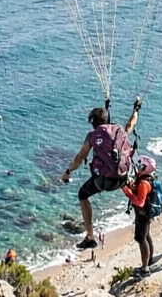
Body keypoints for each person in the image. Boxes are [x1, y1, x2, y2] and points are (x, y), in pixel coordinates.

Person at [60, 96, 142, 249]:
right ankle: (140, 208)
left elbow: (80, 157)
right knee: (128, 182)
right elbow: (131, 123)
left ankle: (90, 237)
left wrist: (67, 171)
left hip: (105, 180)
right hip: (123, 177)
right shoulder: (119, 130)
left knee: (83, 195)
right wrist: (136, 108)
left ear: (93, 122)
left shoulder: (92, 136)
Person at [122, 154, 158, 276]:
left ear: (145, 168)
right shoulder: (147, 180)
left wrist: (127, 191)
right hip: (146, 214)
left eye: (141, 166)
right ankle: (150, 260)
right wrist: (131, 186)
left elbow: (140, 201)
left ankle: (145, 268)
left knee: (141, 238)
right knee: (147, 236)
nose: (138, 167)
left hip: (142, 214)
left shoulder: (144, 183)